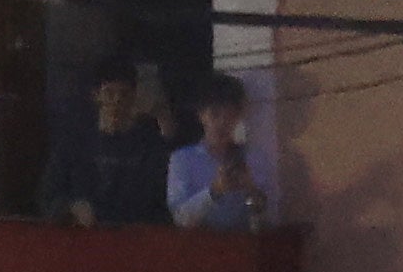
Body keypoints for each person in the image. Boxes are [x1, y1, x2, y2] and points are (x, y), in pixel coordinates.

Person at [58, 56, 168, 225]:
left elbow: (163, 201)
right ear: (96, 95)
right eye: (109, 93)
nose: (117, 101)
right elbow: (49, 194)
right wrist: (72, 207)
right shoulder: (74, 143)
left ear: (134, 96)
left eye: (124, 94)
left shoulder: (150, 145)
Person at [162, 69, 268, 229]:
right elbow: (180, 217)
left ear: (238, 116)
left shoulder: (251, 157)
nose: (222, 122)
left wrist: (251, 189)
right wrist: (215, 190)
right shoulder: (182, 159)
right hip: (200, 247)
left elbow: (263, 220)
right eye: (215, 114)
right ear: (201, 115)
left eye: (229, 115)